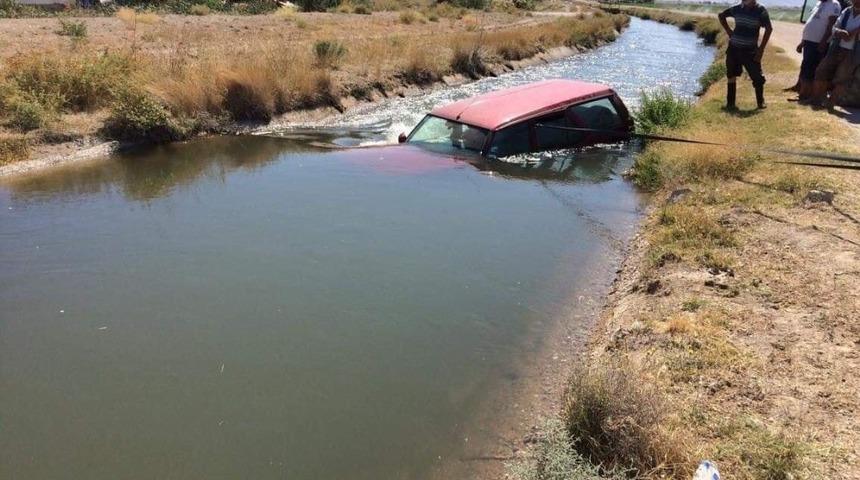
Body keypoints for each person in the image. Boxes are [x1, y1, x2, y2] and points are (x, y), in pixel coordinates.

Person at [718, 0, 774, 110]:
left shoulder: (760, 11)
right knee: (731, 75)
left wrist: (761, 50)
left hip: (750, 51)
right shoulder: (736, 9)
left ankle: (760, 102)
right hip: (733, 49)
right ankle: (730, 103)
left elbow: (769, 29)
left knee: (757, 77)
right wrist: (729, 31)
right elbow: (721, 16)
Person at [809, 3, 860, 107]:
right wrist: (839, 32)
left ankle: (831, 103)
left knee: (842, 78)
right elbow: (834, 27)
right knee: (821, 71)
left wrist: (854, 33)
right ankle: (816, 99)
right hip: (836, 47)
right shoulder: (847, 11)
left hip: (853, 52)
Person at [795, 0, 842, 101]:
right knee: (806, 66)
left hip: (819, 43)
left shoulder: (834, 4)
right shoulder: (818, 4)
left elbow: (831, 25)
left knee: (814, 68)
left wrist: (824, 41)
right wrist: (802, 42)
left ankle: (809, 95)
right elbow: (811, 23)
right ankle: (803, 94)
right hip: (809, 41)